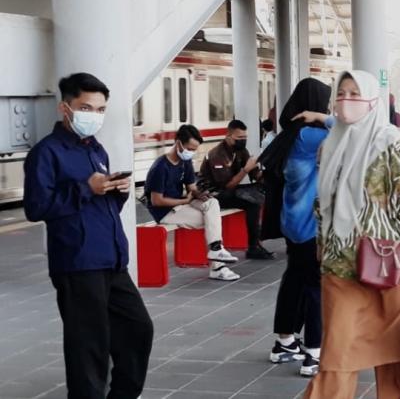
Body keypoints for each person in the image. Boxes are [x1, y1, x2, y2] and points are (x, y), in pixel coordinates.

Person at [303, 70, 400, 398]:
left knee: (399, 356)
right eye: (342, 92)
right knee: (336, 355)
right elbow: (323, 202)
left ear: (372, 101)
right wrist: (321, 241)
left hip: (391, 265)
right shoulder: (331, 145)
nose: (347, 100)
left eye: (356, 93)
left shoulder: (389, 142)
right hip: (341, 267)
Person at [23, 72, 154, 399]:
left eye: (100, 109)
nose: (93, 116)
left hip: (111, 259)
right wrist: (87, 188)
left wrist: (115, 190)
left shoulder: (96, 149)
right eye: (86, 107)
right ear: (64, 109)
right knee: (88, 347)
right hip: (77, 262)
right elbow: (36, 207)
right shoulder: (47, 152)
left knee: (138, 329)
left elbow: (99, 202)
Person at [260, 78, 333, 377]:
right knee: (316, 287)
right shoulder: (309, 135)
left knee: (294, 280)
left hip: (291, 222)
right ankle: (314, 354)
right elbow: (355, 130)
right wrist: (321, 118)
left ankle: (285, 342)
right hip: (309, 226)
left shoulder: (287, 135)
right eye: (324, 103)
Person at [145, 124, 242, 281]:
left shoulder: (185, 162)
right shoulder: (160, 167)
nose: (192, 152)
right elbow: (157, 201)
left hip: (182, 204)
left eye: (195, 149)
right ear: (178, 143)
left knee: (213, 204)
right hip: (165, 212)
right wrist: (185, 200)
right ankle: (218, 266)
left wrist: (199, 194)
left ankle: (216, 249)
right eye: (190, 148)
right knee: (211, 219)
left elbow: (191, 186)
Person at [199, 119, 274, 260]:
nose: (243, 141)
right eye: (239, 138)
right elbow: (227, 185)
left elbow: (256, 175)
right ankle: (253, 246)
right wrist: (246, 169)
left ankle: (258, 242)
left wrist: (268, 172)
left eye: (245, 138)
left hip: (227, 191)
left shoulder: (240, 151)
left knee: (261, 192)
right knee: (252, 202)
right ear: (228, 136)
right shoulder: (217, 154)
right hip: (213, 195)